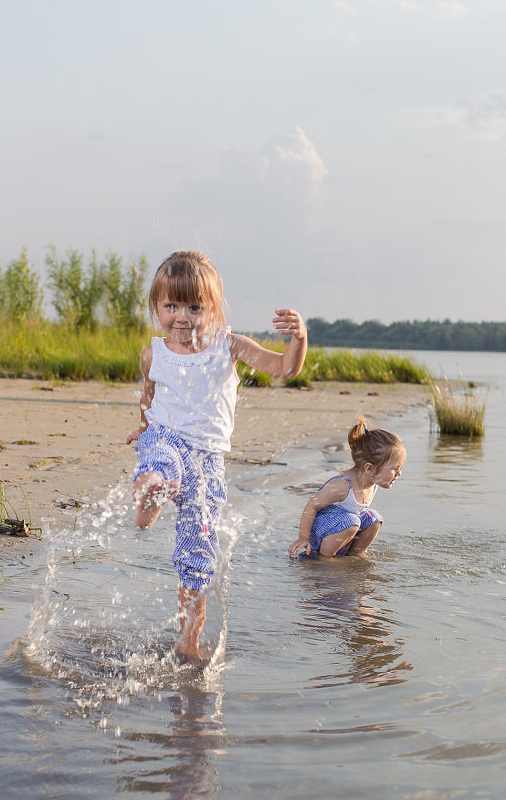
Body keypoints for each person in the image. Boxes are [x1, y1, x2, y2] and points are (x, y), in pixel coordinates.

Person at [126, 250, 307, 665]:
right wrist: (143, 424)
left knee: (197, 556)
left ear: (214, 308)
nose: (182, 317)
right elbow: (151, 394)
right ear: (156, 307)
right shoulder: (155, 352)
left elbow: (284, 368)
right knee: (159, 462)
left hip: (207, 464)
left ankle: (188, 641)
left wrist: (299, 339)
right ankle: (150, 497)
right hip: (165, 437)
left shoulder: (230, 345)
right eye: (171, 306)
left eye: (194, 306)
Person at [288, 416, 405, 559]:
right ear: (370, 468)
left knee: (374, 517)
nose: (399, 473)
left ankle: (353, 555)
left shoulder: (373, 483)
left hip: (342, 528)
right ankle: (324, 558)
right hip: (321, 534)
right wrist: (303, 538)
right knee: (352, 521)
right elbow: (312, 505)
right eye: (395, 468)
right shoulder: (343, 485)